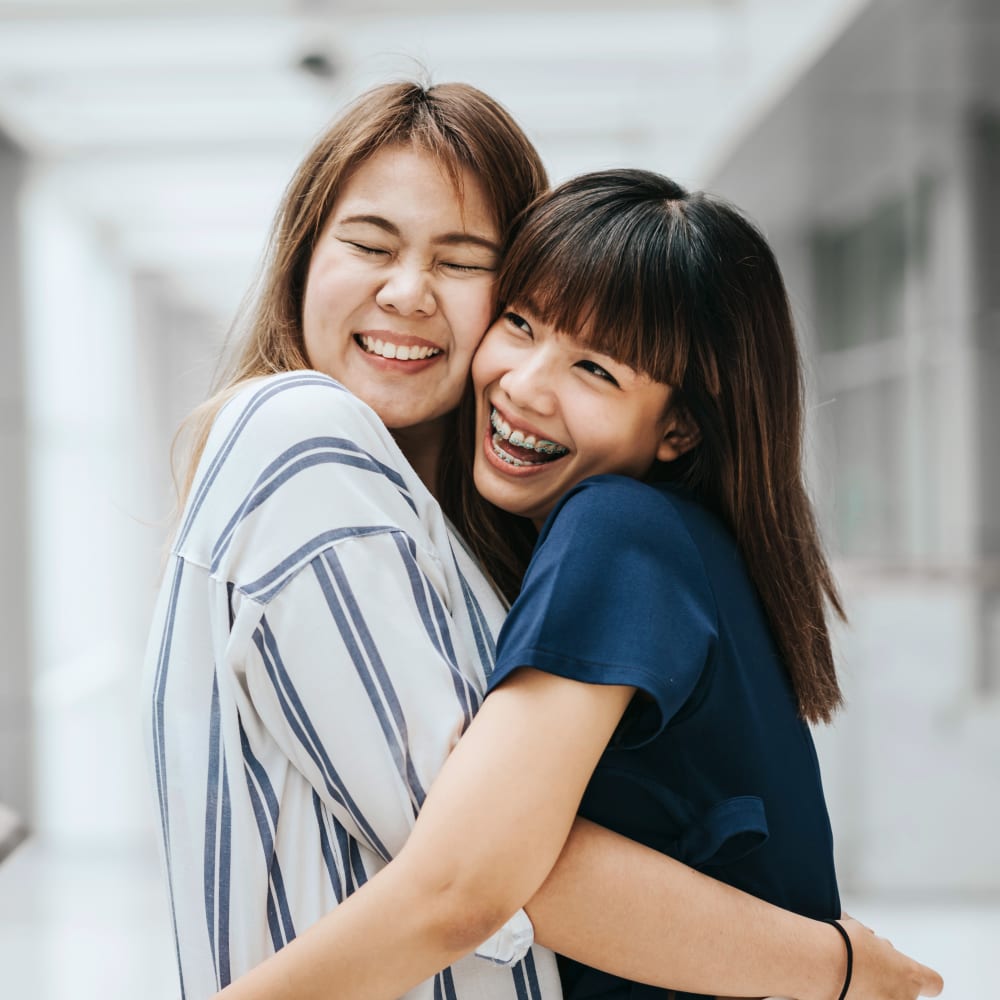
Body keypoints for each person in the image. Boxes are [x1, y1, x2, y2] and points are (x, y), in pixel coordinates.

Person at [145, 80, 941, 1000]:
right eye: (523, 325)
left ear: (678, 429)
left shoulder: (616, 531)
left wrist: (842, 971)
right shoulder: (625, 535)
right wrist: (838, 966)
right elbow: (474, 868)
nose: (524, 383)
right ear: (302, 256)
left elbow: (464, 879)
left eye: (594, 367)